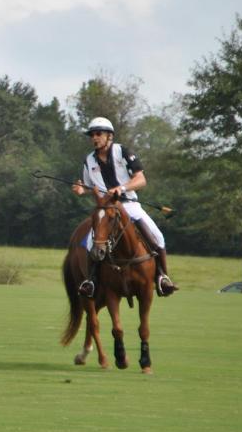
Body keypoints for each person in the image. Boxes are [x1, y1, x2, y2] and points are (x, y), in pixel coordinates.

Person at [72, 117, 177, 297]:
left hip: (129, 205)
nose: (94, 138)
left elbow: (141, 180)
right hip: (105, 208)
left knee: (157, 236)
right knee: (91, 243)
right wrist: (82, 190)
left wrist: (121, 188)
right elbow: (90, 187)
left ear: (109, 136)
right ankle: (91, 281)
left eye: (98, 134)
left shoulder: (123, 152)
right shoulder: (88, 160)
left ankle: (162, 277)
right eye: (92, 135)